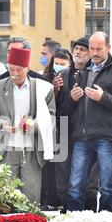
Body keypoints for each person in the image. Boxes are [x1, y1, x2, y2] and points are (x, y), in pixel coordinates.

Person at [65, 32, 112, 212]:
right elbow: (69, 107)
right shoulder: (82, 71)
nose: (95, 52)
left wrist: (103, 97)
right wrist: (72, 98)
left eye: (99, 48)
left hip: (106, 137)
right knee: (74, 186)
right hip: (81, 137)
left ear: (108, 48)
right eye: (92, 48)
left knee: (106, 186)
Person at [0, 46, 56, 205]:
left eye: (19, 70)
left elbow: (51, 118)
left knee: (31, 198)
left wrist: (33, 125)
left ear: (28, 69)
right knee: (5, 196)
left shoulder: (42, 88)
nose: (15, 74)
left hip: (31, 150)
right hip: (6, 150)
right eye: (11, 70)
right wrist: (2, 123)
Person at [54, 36, 91, 212]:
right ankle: (67, 213)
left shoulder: (95, 74)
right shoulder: (62, 74)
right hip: (63, 132)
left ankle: (88, 217)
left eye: (82, 49)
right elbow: (56, 108)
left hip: (87, 134)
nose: (78, 52)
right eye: (76, 49)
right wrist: (56, 91)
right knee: (62, 181)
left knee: (88, 183)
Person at [40, 47, 72, 210]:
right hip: (49, 125)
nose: (59, 67)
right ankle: (49, 198)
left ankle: (62, 199)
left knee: (62, 162)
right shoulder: (45, 78)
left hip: (66, 124)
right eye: (57, 64)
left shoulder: (73, 77)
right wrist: (54, 89)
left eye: (63, 64)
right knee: (49, 163)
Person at [0, 36, 45, 108]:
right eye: (9, 52)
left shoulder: (40, 81)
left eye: (16, 51)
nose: (12, 55)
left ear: (26, 54)